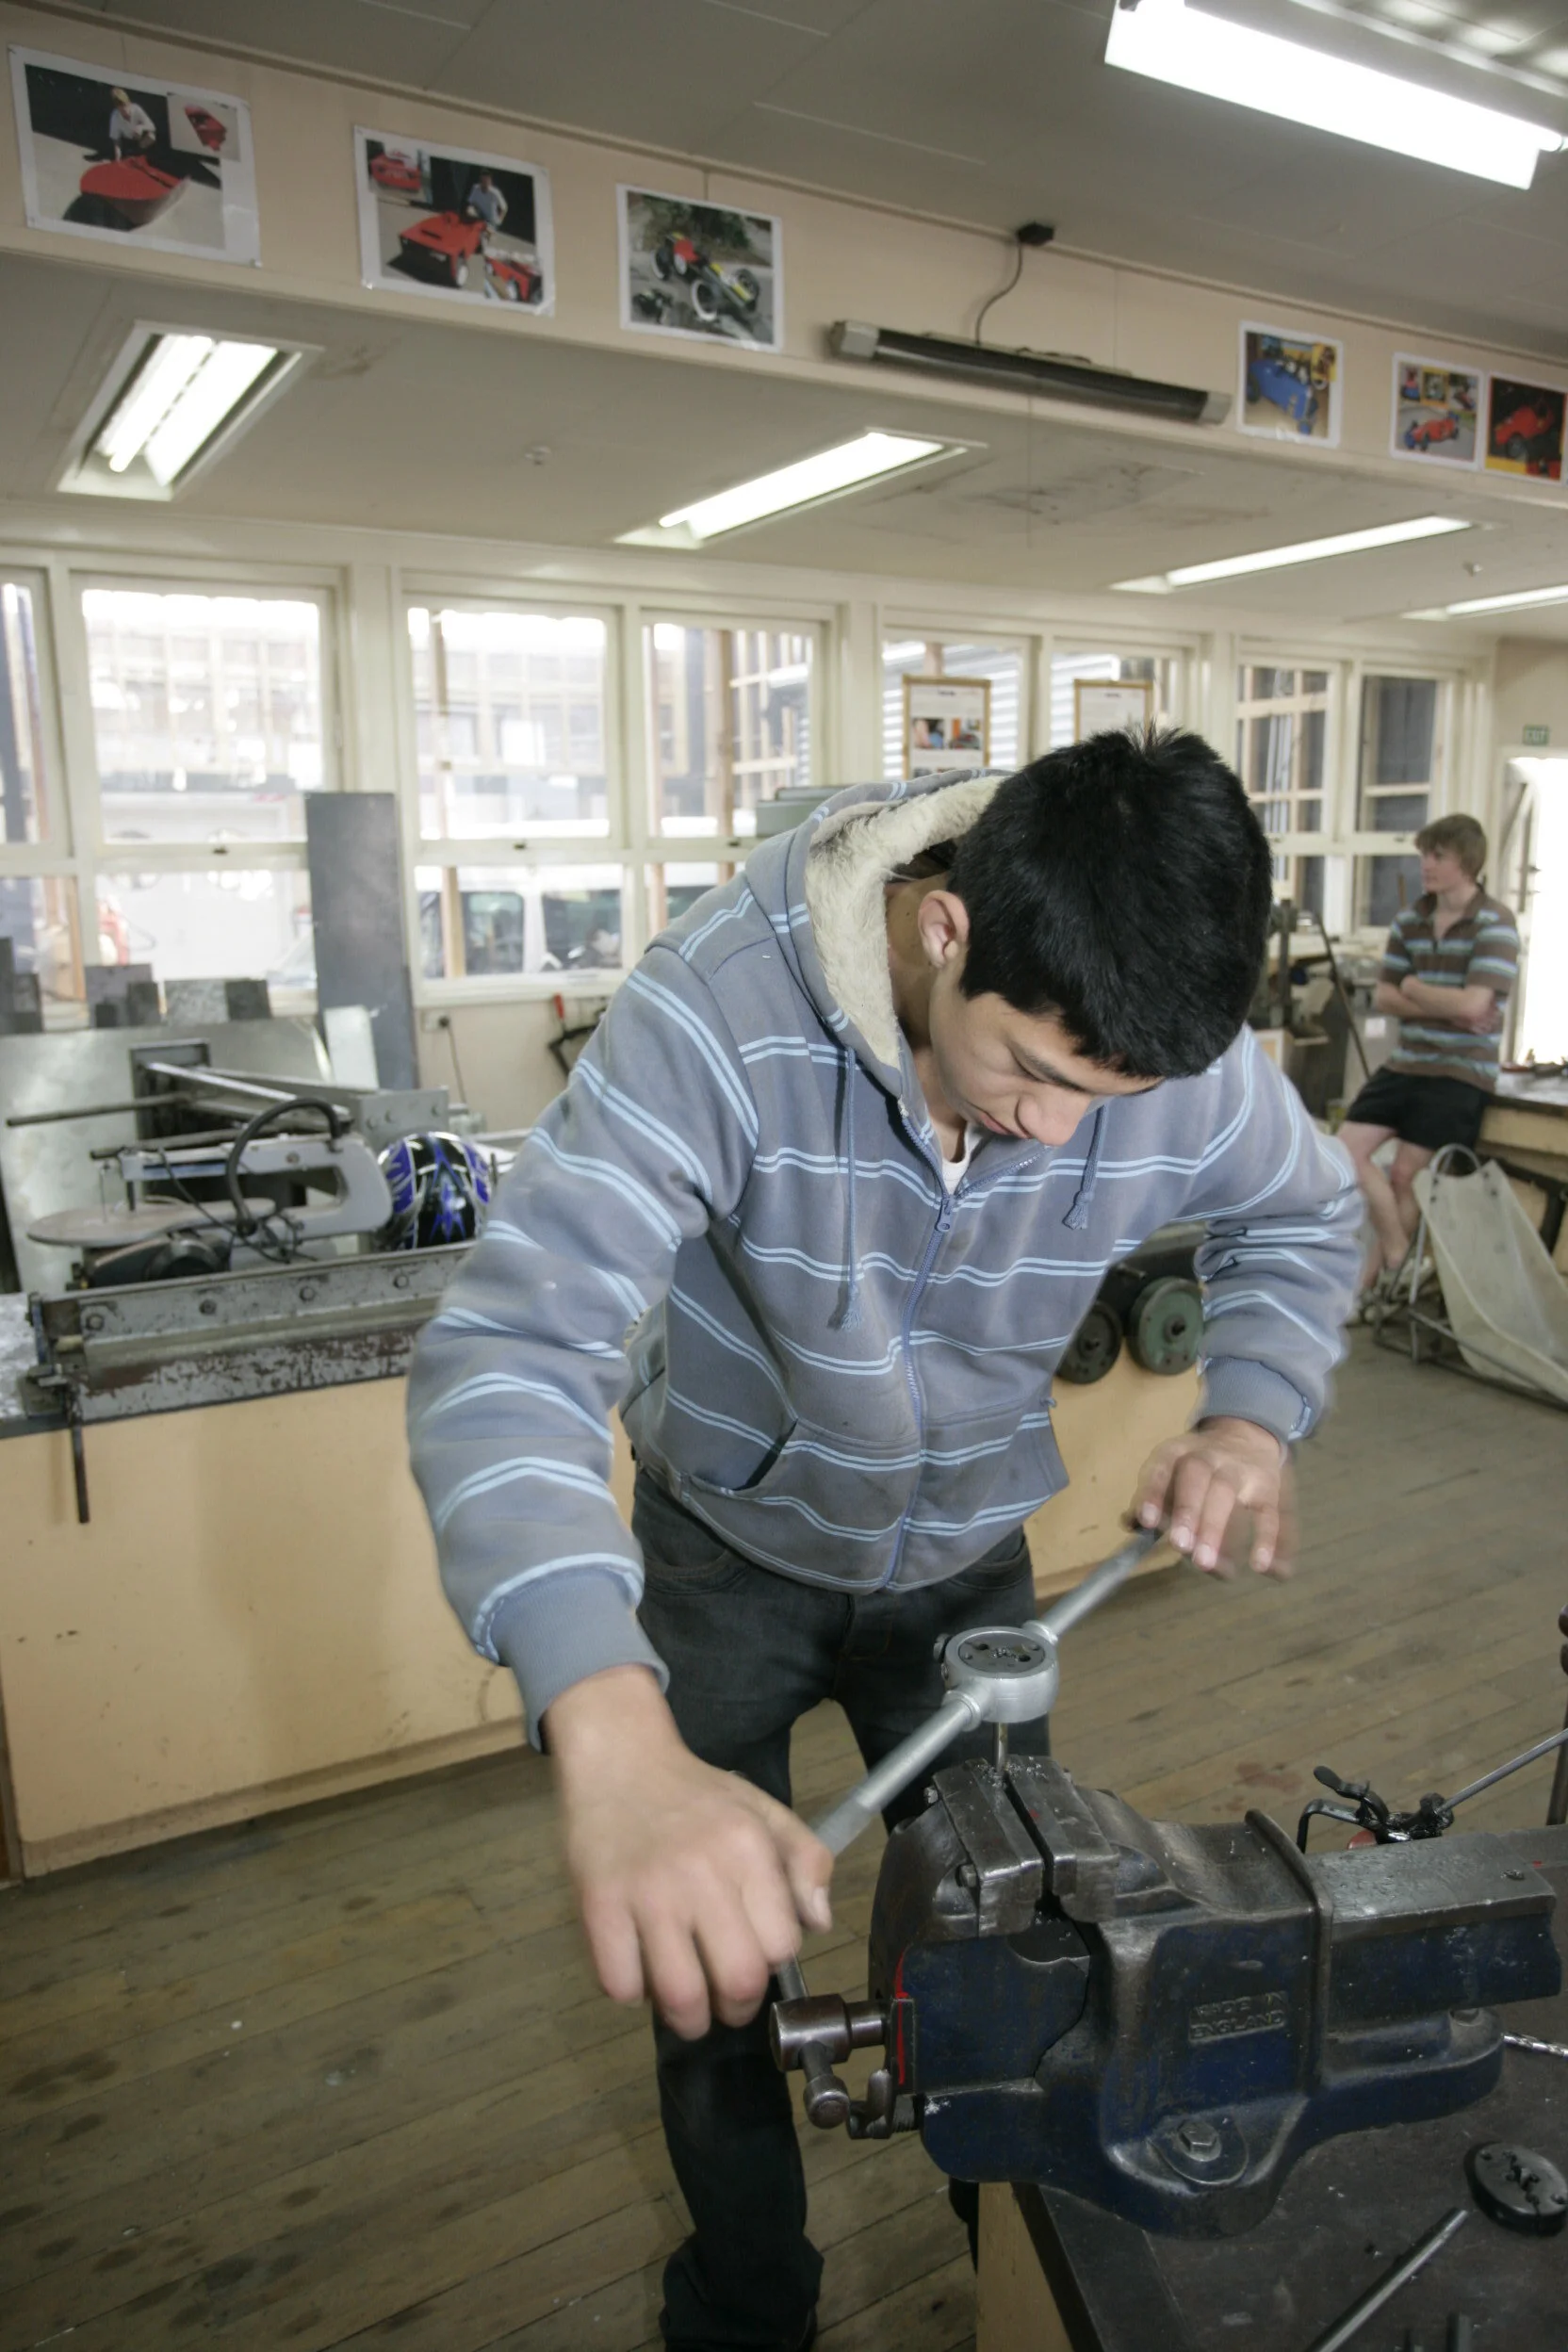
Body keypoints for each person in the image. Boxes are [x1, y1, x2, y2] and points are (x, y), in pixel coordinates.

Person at [408, 731, 1361, 2352]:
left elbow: (1304, 1207)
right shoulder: (717, 1009)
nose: (1064, 1140)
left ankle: (1014, 2277)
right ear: (942, 933)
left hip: (966, 1575)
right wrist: (612, 1731)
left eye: (1109, 1104)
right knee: (713, 1981)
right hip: (721, 1556)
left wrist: (1249, 1413)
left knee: (1019, 1965)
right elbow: (509, 1354)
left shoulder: (1148, 1045)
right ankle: (746, 2304)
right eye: (1038, 1078)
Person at [1338, 814, 1519, 1296]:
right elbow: (1385, 997)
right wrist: (1446, 1002)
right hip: (1406, 1063)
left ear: (1468, 862)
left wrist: (1416, 988)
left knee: (1404, 1174)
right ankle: (1396, 1250)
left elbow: (1476, 1005)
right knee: (1343, 1151)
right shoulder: (1409, 920)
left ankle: (1368, 1287)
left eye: (1438, 856)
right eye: (1424, 854)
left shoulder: (1495, 923)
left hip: (1460, 1073)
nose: (1426, 865)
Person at [106, 88, 156, 157]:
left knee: (151, 137)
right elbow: (116, 141)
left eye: (125, 106)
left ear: (129, 103)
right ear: (117, 108)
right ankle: (129, 153)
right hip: (127, 140)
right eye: (121, 110)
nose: (125, 111)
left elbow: (152, 127)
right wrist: (117, 159)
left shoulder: (137, 109)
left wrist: (141, 127)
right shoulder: (115, 116)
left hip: (139, 138)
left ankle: (139, 152)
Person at [463, 170, 507, 237]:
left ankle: (489, 231)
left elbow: (504, 208)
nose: (484, 183)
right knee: (470, 210)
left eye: (486, 181)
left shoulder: (495, 193)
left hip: (490, 221)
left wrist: (499, 221)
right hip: (479, 217)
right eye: (482, 181)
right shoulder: (475, 188)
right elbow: (470, 203)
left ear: (490, 181)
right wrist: (473, 212)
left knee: (484, 235)